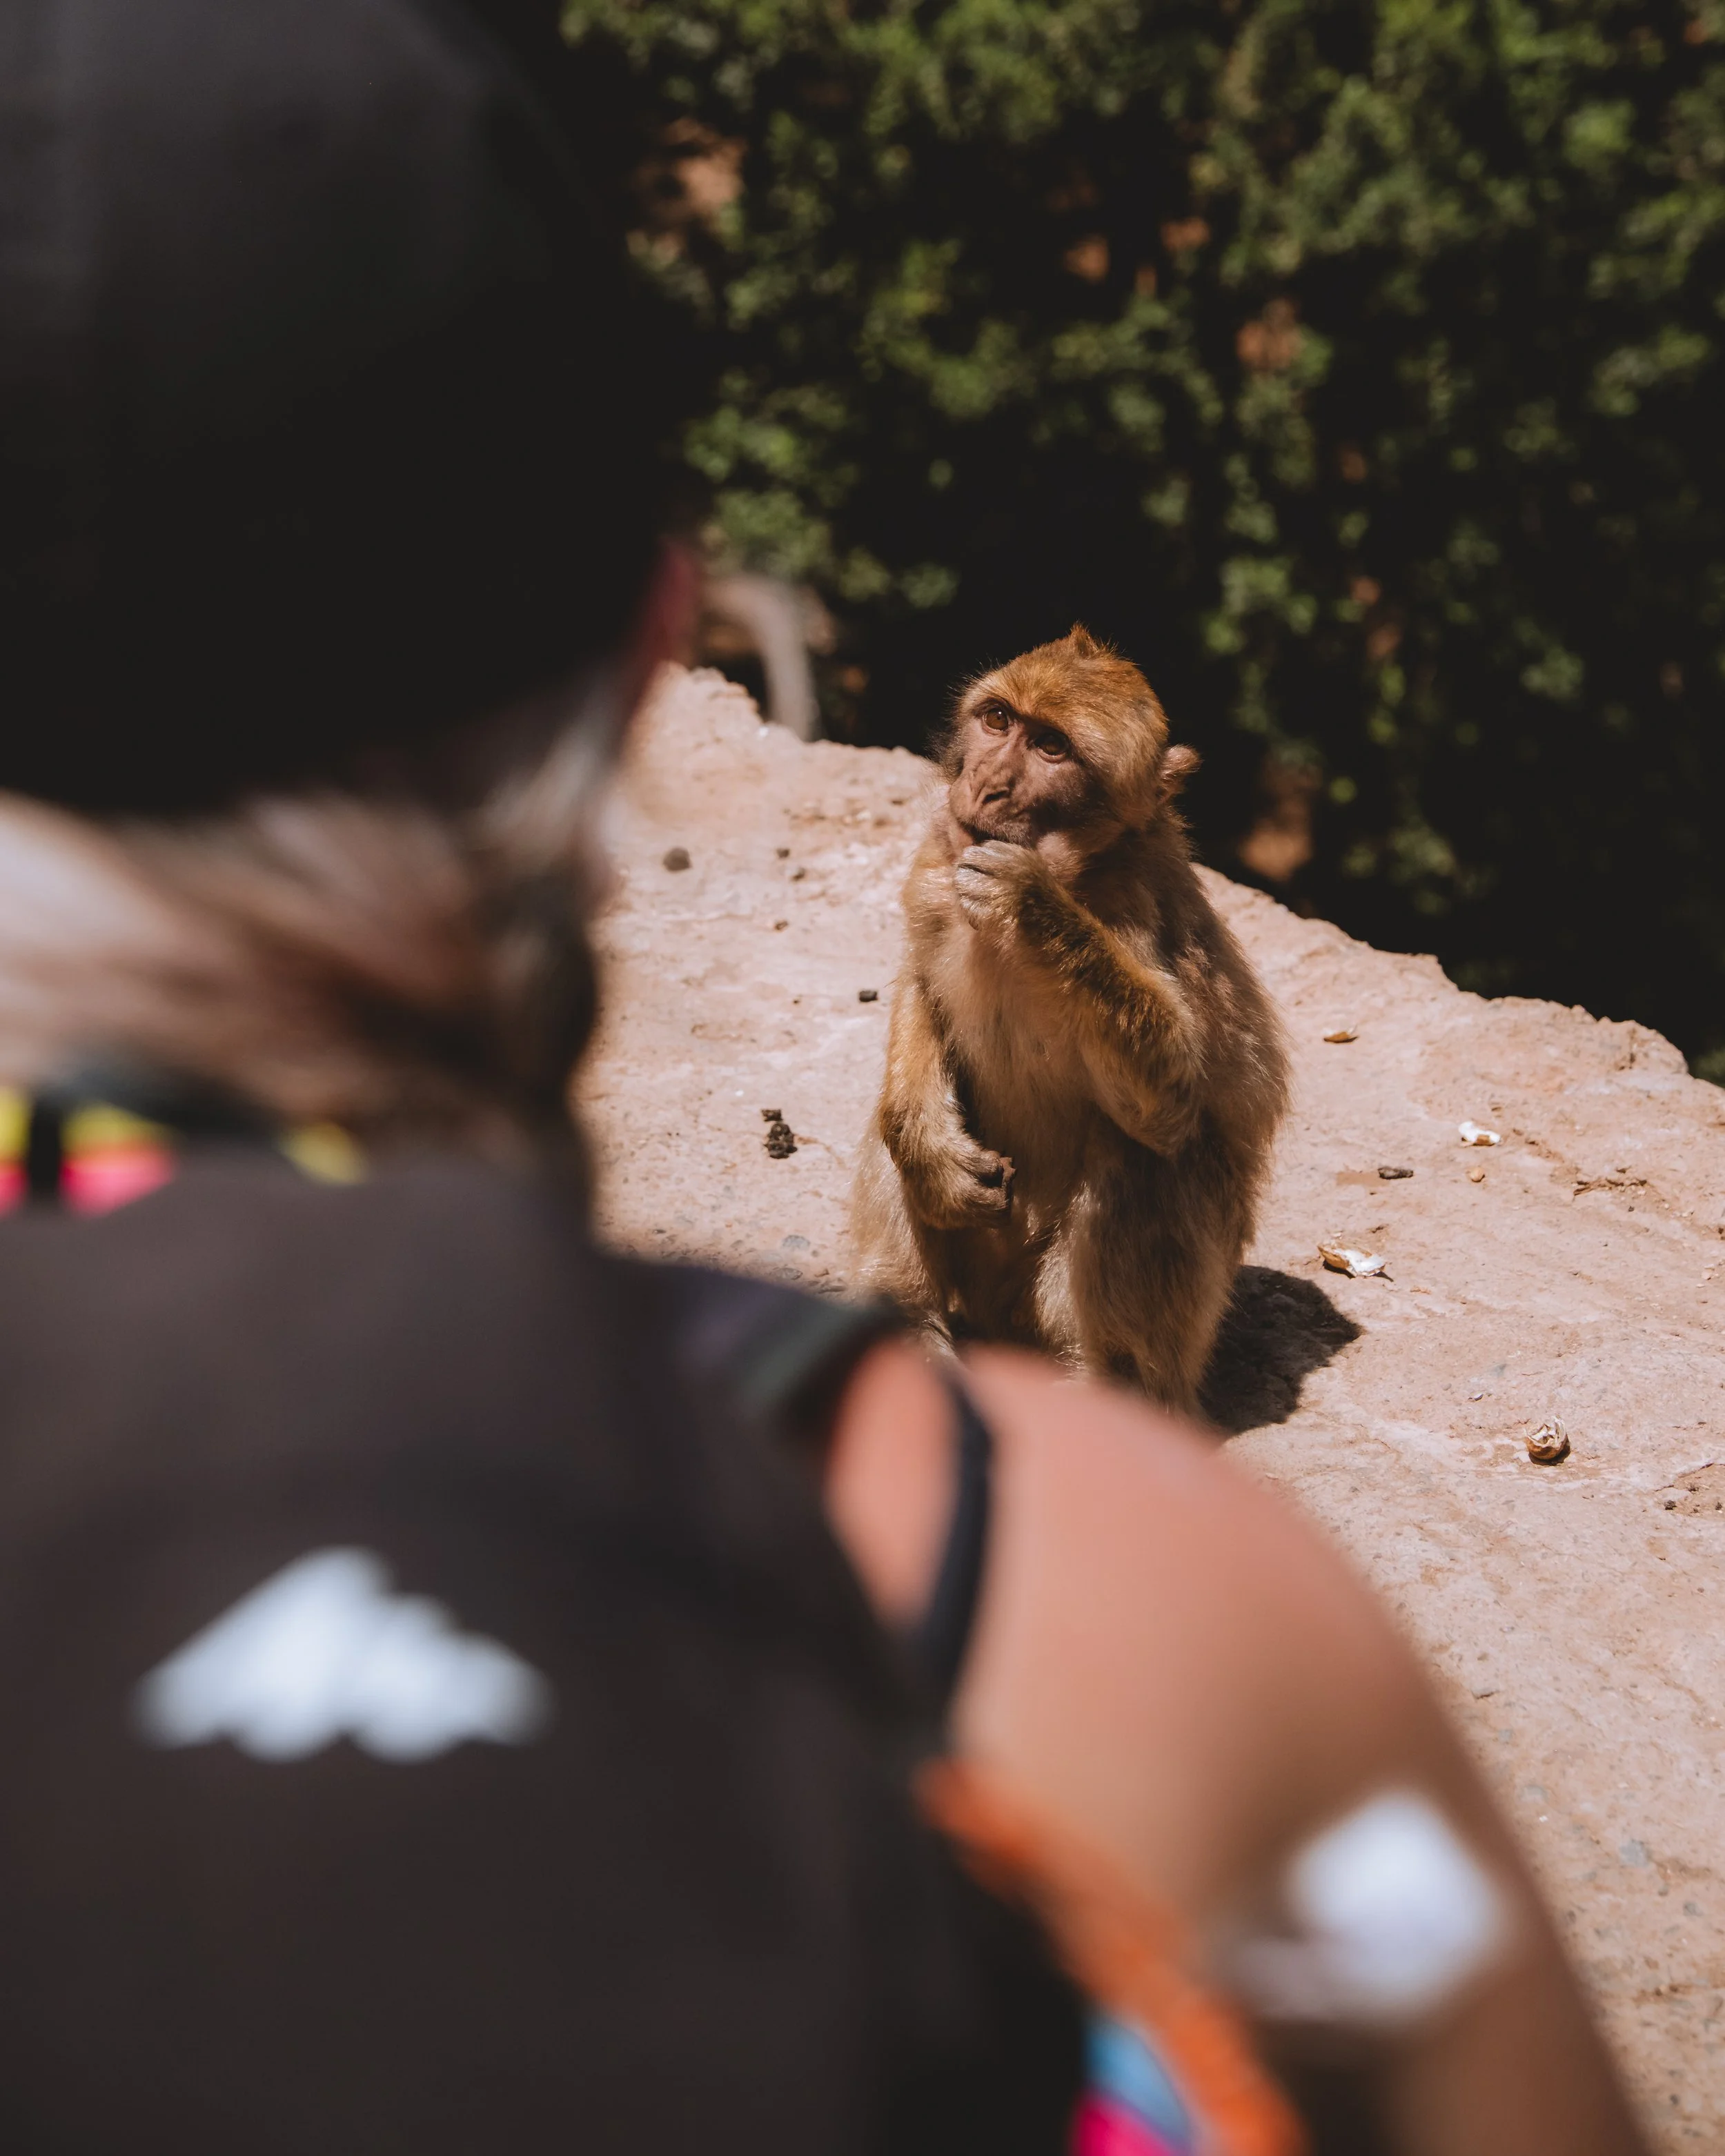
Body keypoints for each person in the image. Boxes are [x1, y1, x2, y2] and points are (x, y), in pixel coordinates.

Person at [0, 1, 1648, 2150]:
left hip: (1127, 1211)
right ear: (642, 646)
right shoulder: (1149, 1629)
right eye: (984, 734)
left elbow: (1169, 1107)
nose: (987, 776)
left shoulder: (1115, 895)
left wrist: (1041, 941)